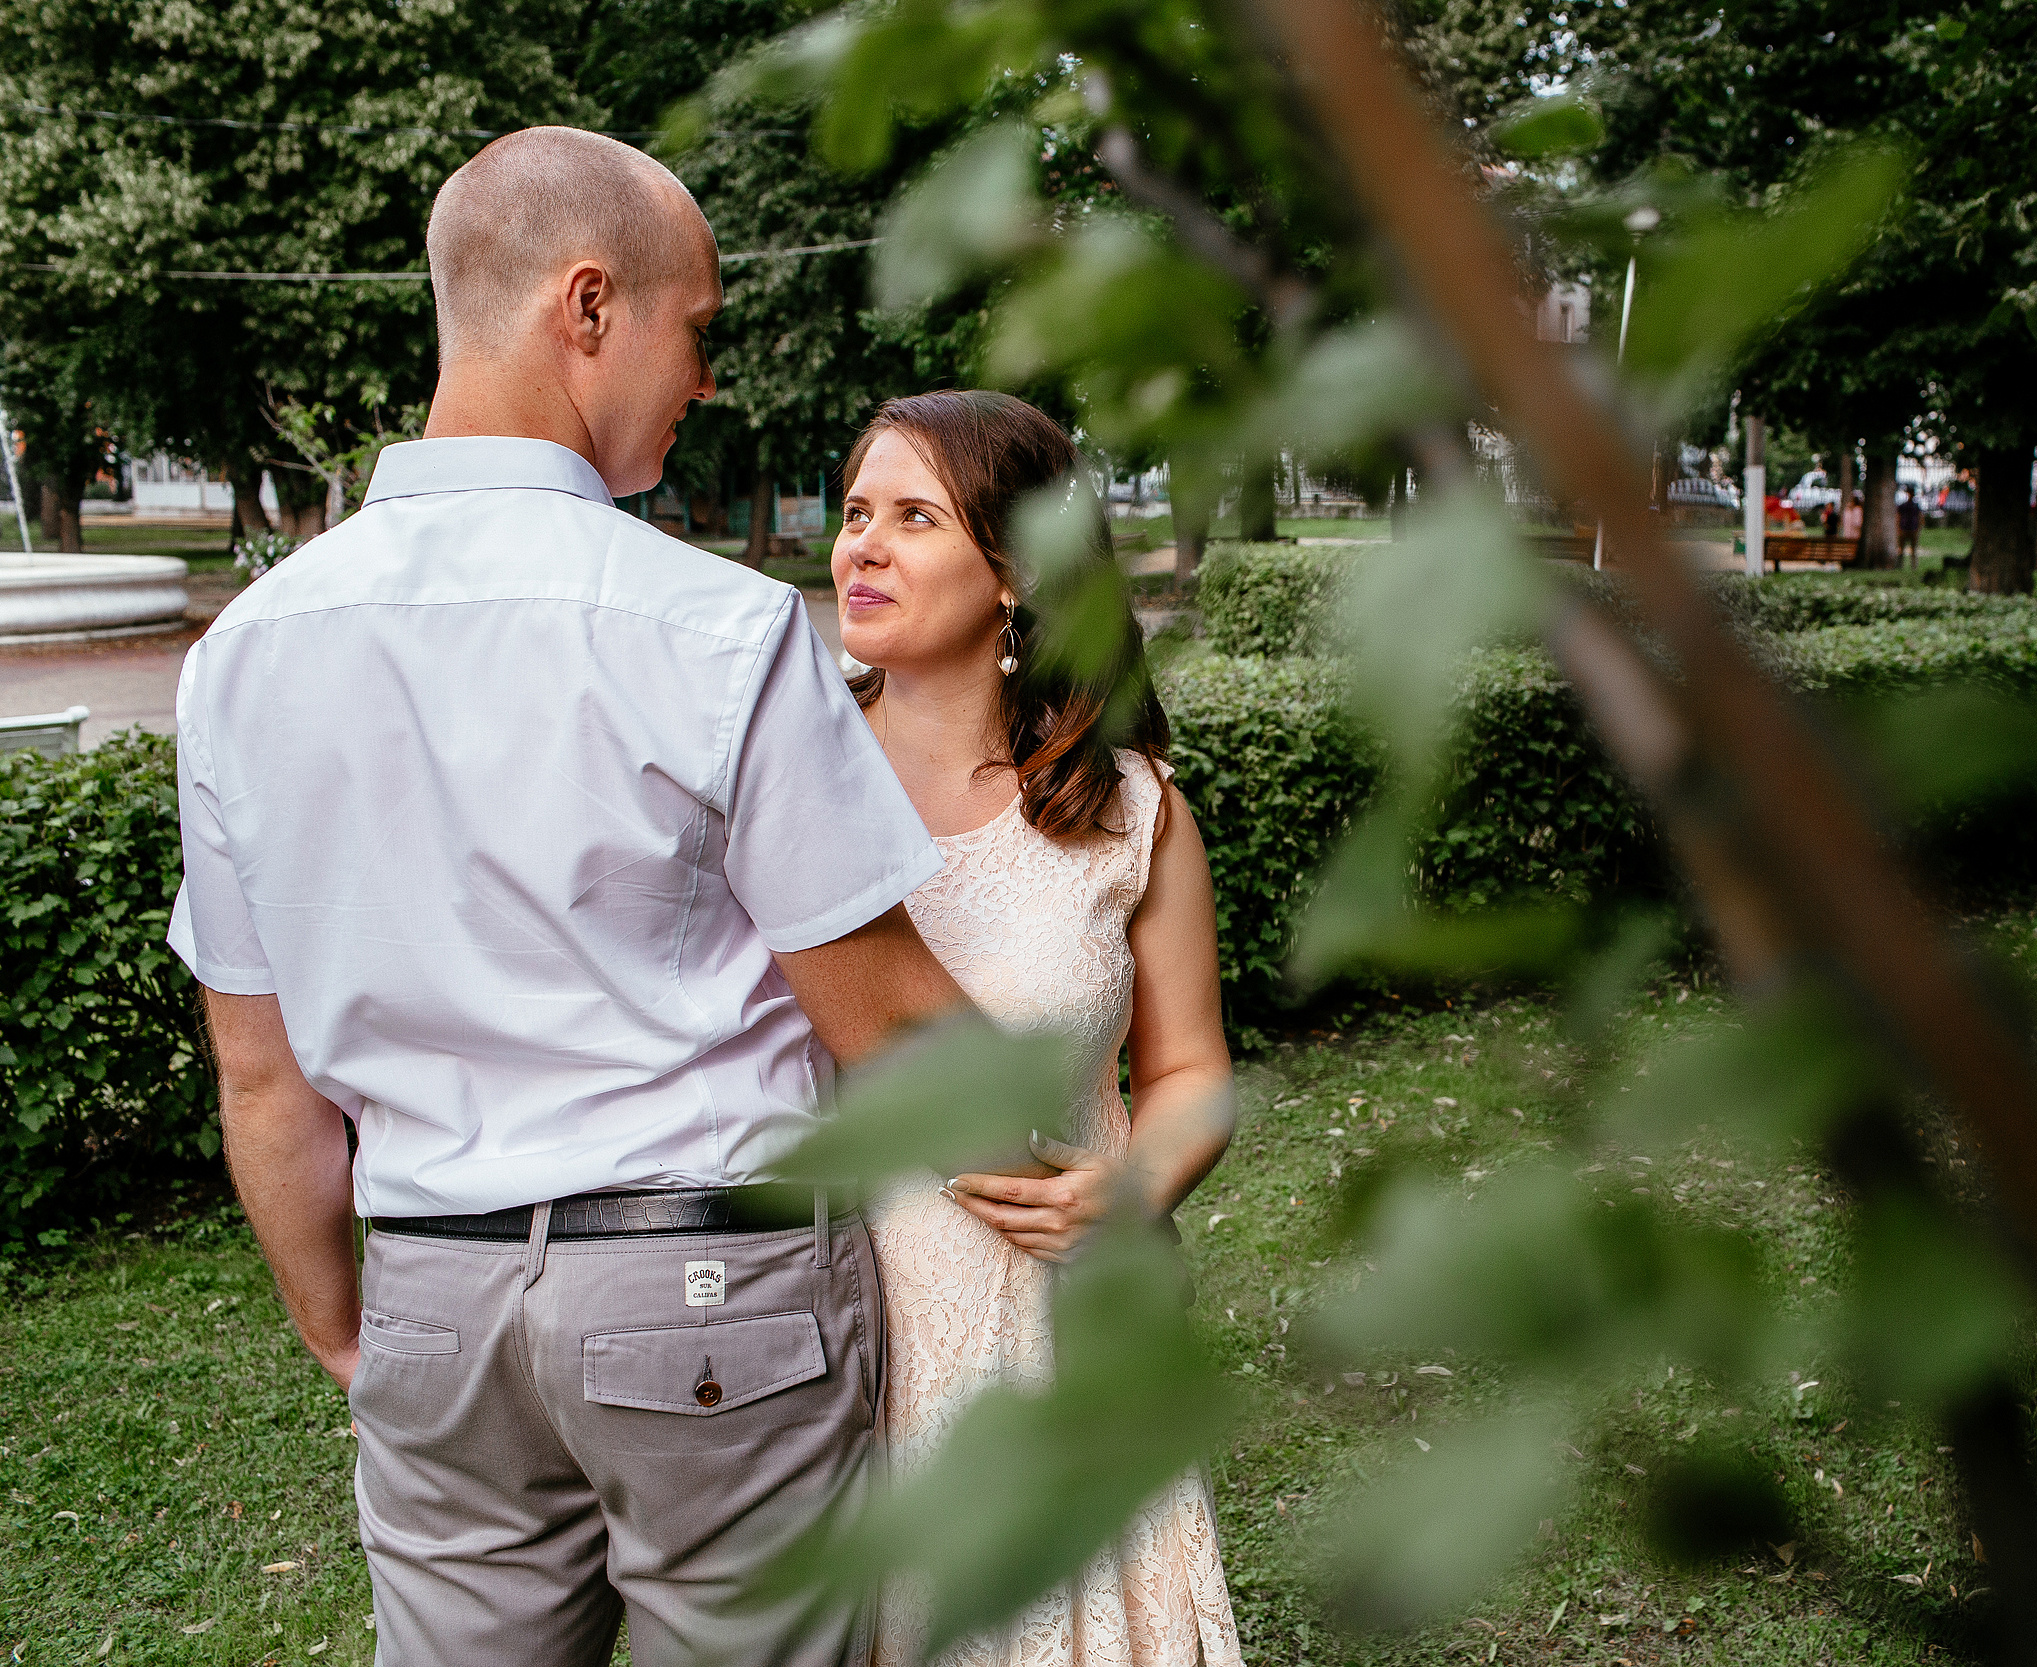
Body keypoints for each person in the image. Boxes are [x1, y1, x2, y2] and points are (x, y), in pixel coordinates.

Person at [169, 127, 964, 1666]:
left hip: (428, 1295)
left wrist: (352, 1327)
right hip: (713, 1290)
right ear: (589, 309)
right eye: (701, 326)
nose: (706, 377)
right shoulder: (720, 629)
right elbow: (896, 1029)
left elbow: (262, 1078)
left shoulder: (242, 656)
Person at [832, 390, 1243, 1667]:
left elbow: (1190, 1071)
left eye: (914, 515)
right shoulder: (786, 778)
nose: (862, 546)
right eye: (855, 513)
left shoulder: (1130, 808)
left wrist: (1135, 1180)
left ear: (1015, 572)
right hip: (830, 1336)